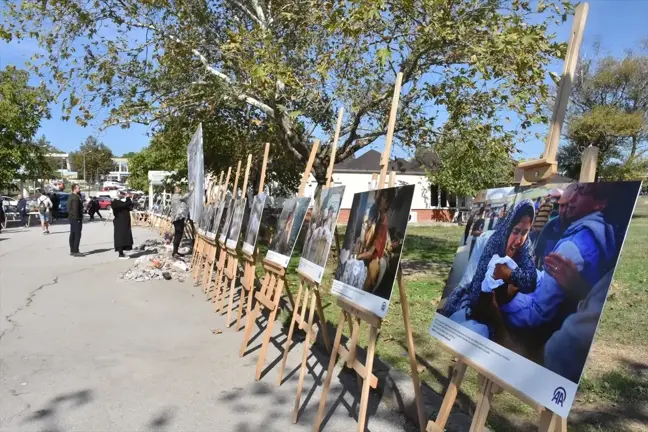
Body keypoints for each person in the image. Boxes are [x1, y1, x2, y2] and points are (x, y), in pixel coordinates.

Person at [499, 183, 616, 331]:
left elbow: (538, 312)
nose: (571, 199)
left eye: (582, 192)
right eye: (560, 204)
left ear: (600, 204)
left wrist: (499, 306)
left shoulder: (571, 247)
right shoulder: (604, 232)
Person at [440, 200, 536, 339]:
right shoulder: (494, 242)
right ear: (509, 228)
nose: (519, 240)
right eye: (516, 231)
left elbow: (531, 282)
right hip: (481, 305)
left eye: (525, 232)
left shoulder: (526, 248)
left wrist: (509, 274)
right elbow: (479, 296)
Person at [534, 184, 577, 269]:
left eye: (568, 206)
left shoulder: (581, 230)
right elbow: (537, 254)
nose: (564, 210)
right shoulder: (550, 227)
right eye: (561, 205)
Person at [170, 184, 193, 258]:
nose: (180, 189)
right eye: (178, 188)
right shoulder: (176, 196)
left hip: (178, 218)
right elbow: (185, 196)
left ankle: (175, 251)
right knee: (178, 234)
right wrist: (191, 190)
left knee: (179, 234)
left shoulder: (175, 196)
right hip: (178, 218)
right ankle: (174, 252)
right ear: (175, 190)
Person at [111, 191, 134, 259]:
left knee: (124, 237)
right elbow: (124, 205)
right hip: (119, 223)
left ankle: (122, 253)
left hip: (124, 223)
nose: (122, 195)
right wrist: (127, 198)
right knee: (120, 238)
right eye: (121, 194)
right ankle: (120, 254)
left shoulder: (120, 202)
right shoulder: (115, 202)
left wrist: (131, 199)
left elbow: (129, 207)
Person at [68, 184, 83, 256]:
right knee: (77, 235)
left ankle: (72, 250)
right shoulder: (75, 198)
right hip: (76, 218)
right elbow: (75, 209)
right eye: (78, 188)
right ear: (74, 189)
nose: (79, 189)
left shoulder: (71, 196)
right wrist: (77, 218)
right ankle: (76, 250)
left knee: (73, 234)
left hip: (72, 218)